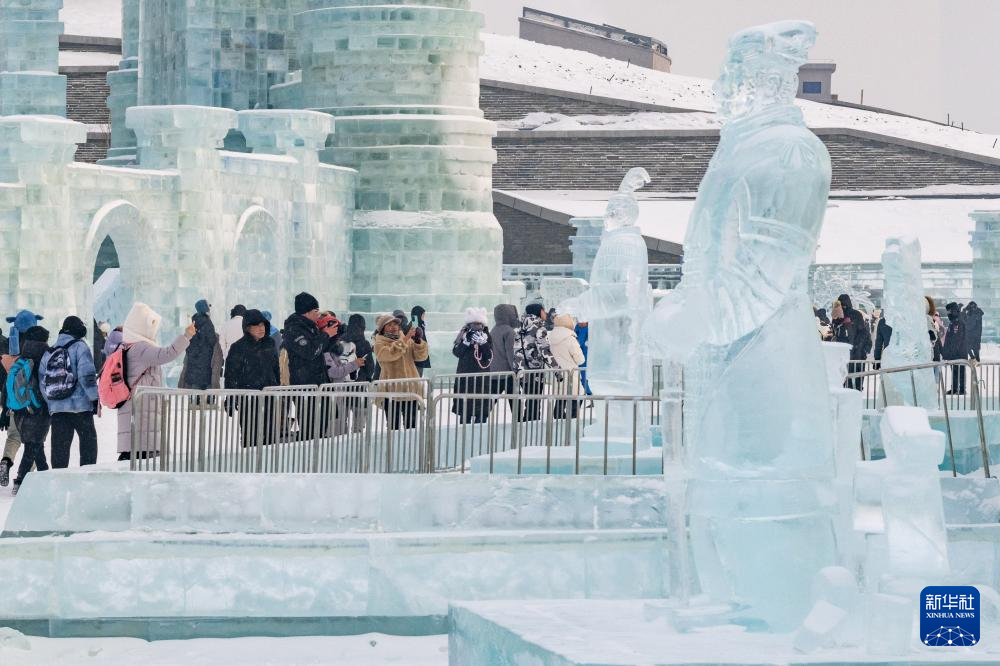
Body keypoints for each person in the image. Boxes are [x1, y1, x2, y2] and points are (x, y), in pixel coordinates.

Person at [117, 303, 195, 461]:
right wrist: (186, 336)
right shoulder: (140, 348)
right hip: (142, 409)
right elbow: (167, 354)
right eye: (150, 324)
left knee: (137, 452)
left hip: (138, 407)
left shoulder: (128, 346)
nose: (154, 329)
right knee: (142, 454)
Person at [41, 316, 100, 468]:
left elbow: (43, 382)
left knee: (60, 450)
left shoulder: (50, 351)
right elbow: (86, 376)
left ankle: (59, 482)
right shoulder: (80, 346)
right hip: (81, 408)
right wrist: (94, 398)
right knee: (88, 445)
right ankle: (87, 478)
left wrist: (52, 403)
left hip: (58, 410)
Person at [2, 325, 51, 495]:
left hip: (19, 409)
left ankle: (45, 475)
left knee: (36, 443)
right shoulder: (45, 355)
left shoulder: (22, 357)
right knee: (33, 445)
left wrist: (5, 409)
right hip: (38, 408)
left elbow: (7, 385)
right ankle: (21, 481)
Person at [281, 293, 336, 438]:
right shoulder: (295, 329)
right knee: (310, 428)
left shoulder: (311, 328)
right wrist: (326, 335)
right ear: (307, 312)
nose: (319, 315)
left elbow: (319, 350)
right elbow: (310, 351)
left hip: (318, 384)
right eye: (316, 311)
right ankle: (307, 458)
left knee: (320, 426)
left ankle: (315, 457)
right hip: (305, 385)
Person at [224, 309, 280, 447]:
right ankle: (250, 465)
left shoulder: (270, 343)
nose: (261, 328)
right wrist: (231, 398)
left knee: (270, 435)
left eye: (263, 325)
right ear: (247, 328)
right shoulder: (238, 347)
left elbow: (275, 368)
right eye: (257, 325)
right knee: (251, 435)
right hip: (248, 397)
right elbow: (231, 374)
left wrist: (277, 386)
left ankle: (268, 465)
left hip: (269, 394)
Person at [0, 309, 42, 485]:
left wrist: (5, 408)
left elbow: (6, 383)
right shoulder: (39, 348)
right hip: (34, 402)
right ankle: (24, 478)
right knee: (33, 441)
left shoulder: (9, 351)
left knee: (14, 436)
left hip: (13, 402)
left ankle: (6, 461)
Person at [373, 313, 428, 429]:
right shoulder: (379, 343)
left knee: (411, 426)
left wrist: (418, 341)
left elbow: (420, 357)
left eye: (395, 324)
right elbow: (390, 354)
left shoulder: (405, 339)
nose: (394, 327)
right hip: (391, 390)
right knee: (393, 427)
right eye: (389, 325)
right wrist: (407, 338)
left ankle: (411, 446)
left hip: (410, 389)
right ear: (382, 328)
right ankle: (392, 447)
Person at [319, 314, 366, 435]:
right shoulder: (325, 351)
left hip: (338, 392)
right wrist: (354, 364)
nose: (337, 334)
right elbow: (334, 372)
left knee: (339, 425)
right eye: (333, 329)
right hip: (332, 394)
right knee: (335, 427)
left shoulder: (334, 349)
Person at [514, 303, 558, 421]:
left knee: (529, 400)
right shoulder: (539, 328)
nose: (546, 313)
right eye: (544, 310)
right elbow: (545, 351)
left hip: (520, 369)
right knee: (534, 402)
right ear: (539, 312)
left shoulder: (521, 326)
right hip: (534, 371)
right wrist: (557, 369)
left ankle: (525, 426)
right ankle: (531, 430)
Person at [451, 308, 494, 424]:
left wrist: (483, 343)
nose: (475, 327)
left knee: (481, 409)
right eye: (473, 324)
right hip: (465, 377)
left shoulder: (487, 336)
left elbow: (489, 355)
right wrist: (465, 342)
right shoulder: (463, 335)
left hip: (481, 378)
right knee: (465, 410)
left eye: (478, 324)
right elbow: (456, 353)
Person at [178, 300, 223, 390]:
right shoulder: (207, 323)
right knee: (208, 402)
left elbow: (189, 348)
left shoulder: (192, 326)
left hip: (193, 373)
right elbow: (212, 341)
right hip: (206, 372)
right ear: (206, 309)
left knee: (194, 401)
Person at [340, 314, 374, 432]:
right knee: (358, 428)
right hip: (358, 387)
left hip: (340, 387)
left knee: (340, 425)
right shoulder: (364, 343)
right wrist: (365, 379)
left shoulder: (340, 341)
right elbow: (370, 367)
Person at [549, 313, 586, 418]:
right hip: (571, 375)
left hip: (558, 375)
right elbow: (580, 359)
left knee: (561, 398)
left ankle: (559, 420)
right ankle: (572, 420)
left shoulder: (550, 338)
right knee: (578, 396)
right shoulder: (570, 339)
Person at [836, 294, 871, 391]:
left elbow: (863, 332)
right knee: (847, 377)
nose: (842, 307)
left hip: (855, 352)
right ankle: (852, 393)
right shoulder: (838, 316)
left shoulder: (855, 314)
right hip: (847, 352)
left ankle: (856, 393)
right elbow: (837, 332)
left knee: (855, 376)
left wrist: (857, 345)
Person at [943, 302, 968, 395]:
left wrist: (952, 352)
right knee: (954, 371)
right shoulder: (953, 322)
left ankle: (961, 389)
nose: (948, 313)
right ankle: (954, 388)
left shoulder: (958, 322)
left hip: (959, 353)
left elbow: (957, 339)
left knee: (960, 370)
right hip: (953, 353)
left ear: (953, 311)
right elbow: (948, 339)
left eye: (949, 311)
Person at [411, 306, 431, 377]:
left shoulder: (418, 325)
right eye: (423, 315)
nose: (424, 317)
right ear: (418, 315)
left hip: (419, 357)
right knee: (416, 378)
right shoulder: (415, 326)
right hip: (417, 358)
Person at [574, 320, 591, 395]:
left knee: (584, 377)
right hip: (580, 357)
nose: (580, 322)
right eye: (578, 321)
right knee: (582, 377)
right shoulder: (577, 327)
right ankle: (589, 394)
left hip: (585, 357)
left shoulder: (587, 329)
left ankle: (589, 394)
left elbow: (578, 342)